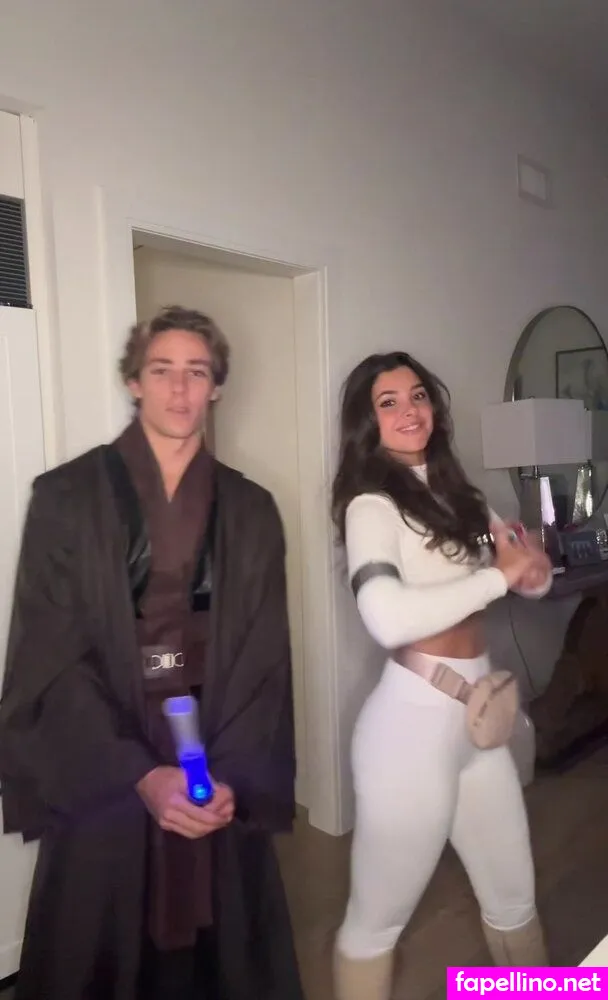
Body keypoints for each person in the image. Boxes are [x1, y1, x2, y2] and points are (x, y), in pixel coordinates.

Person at [0, 305, 304, 1000]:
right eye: (161, 370)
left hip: (215, 743)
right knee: (96, 943)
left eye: (196, 372)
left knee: (222, 947)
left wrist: (228, 775)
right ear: (133, 381)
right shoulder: (65, 497)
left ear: (216, 386)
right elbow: (51, 657)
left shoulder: (252, 508)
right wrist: (137, 773)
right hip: (105, 745)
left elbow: (264, 660)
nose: (179, 389)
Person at [330, 351, 553, 1000]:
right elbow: (386, 617)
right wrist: (499, 578)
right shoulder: (371, 505)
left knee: (514, 898)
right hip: (409, 733)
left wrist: (532, 572)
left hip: (480, 724)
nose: (409, 411)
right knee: (377, 923)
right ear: (367, 422)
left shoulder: (463, 496)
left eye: (418, 395)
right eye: (388, 402)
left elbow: (527, 578)